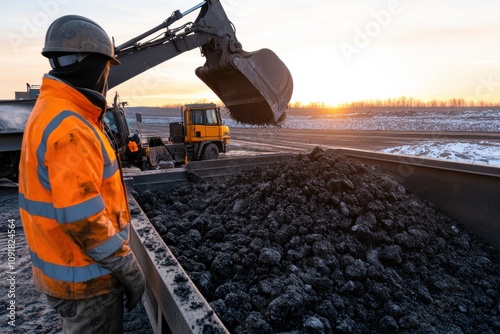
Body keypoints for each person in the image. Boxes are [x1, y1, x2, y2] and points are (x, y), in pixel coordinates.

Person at [18, 15, 145, 334]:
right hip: (88, 281)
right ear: (92, 65)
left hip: (68, 270)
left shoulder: (52, 111)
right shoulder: (71, 129)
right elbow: (83, 219)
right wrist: (127, 266)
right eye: (106, 67)